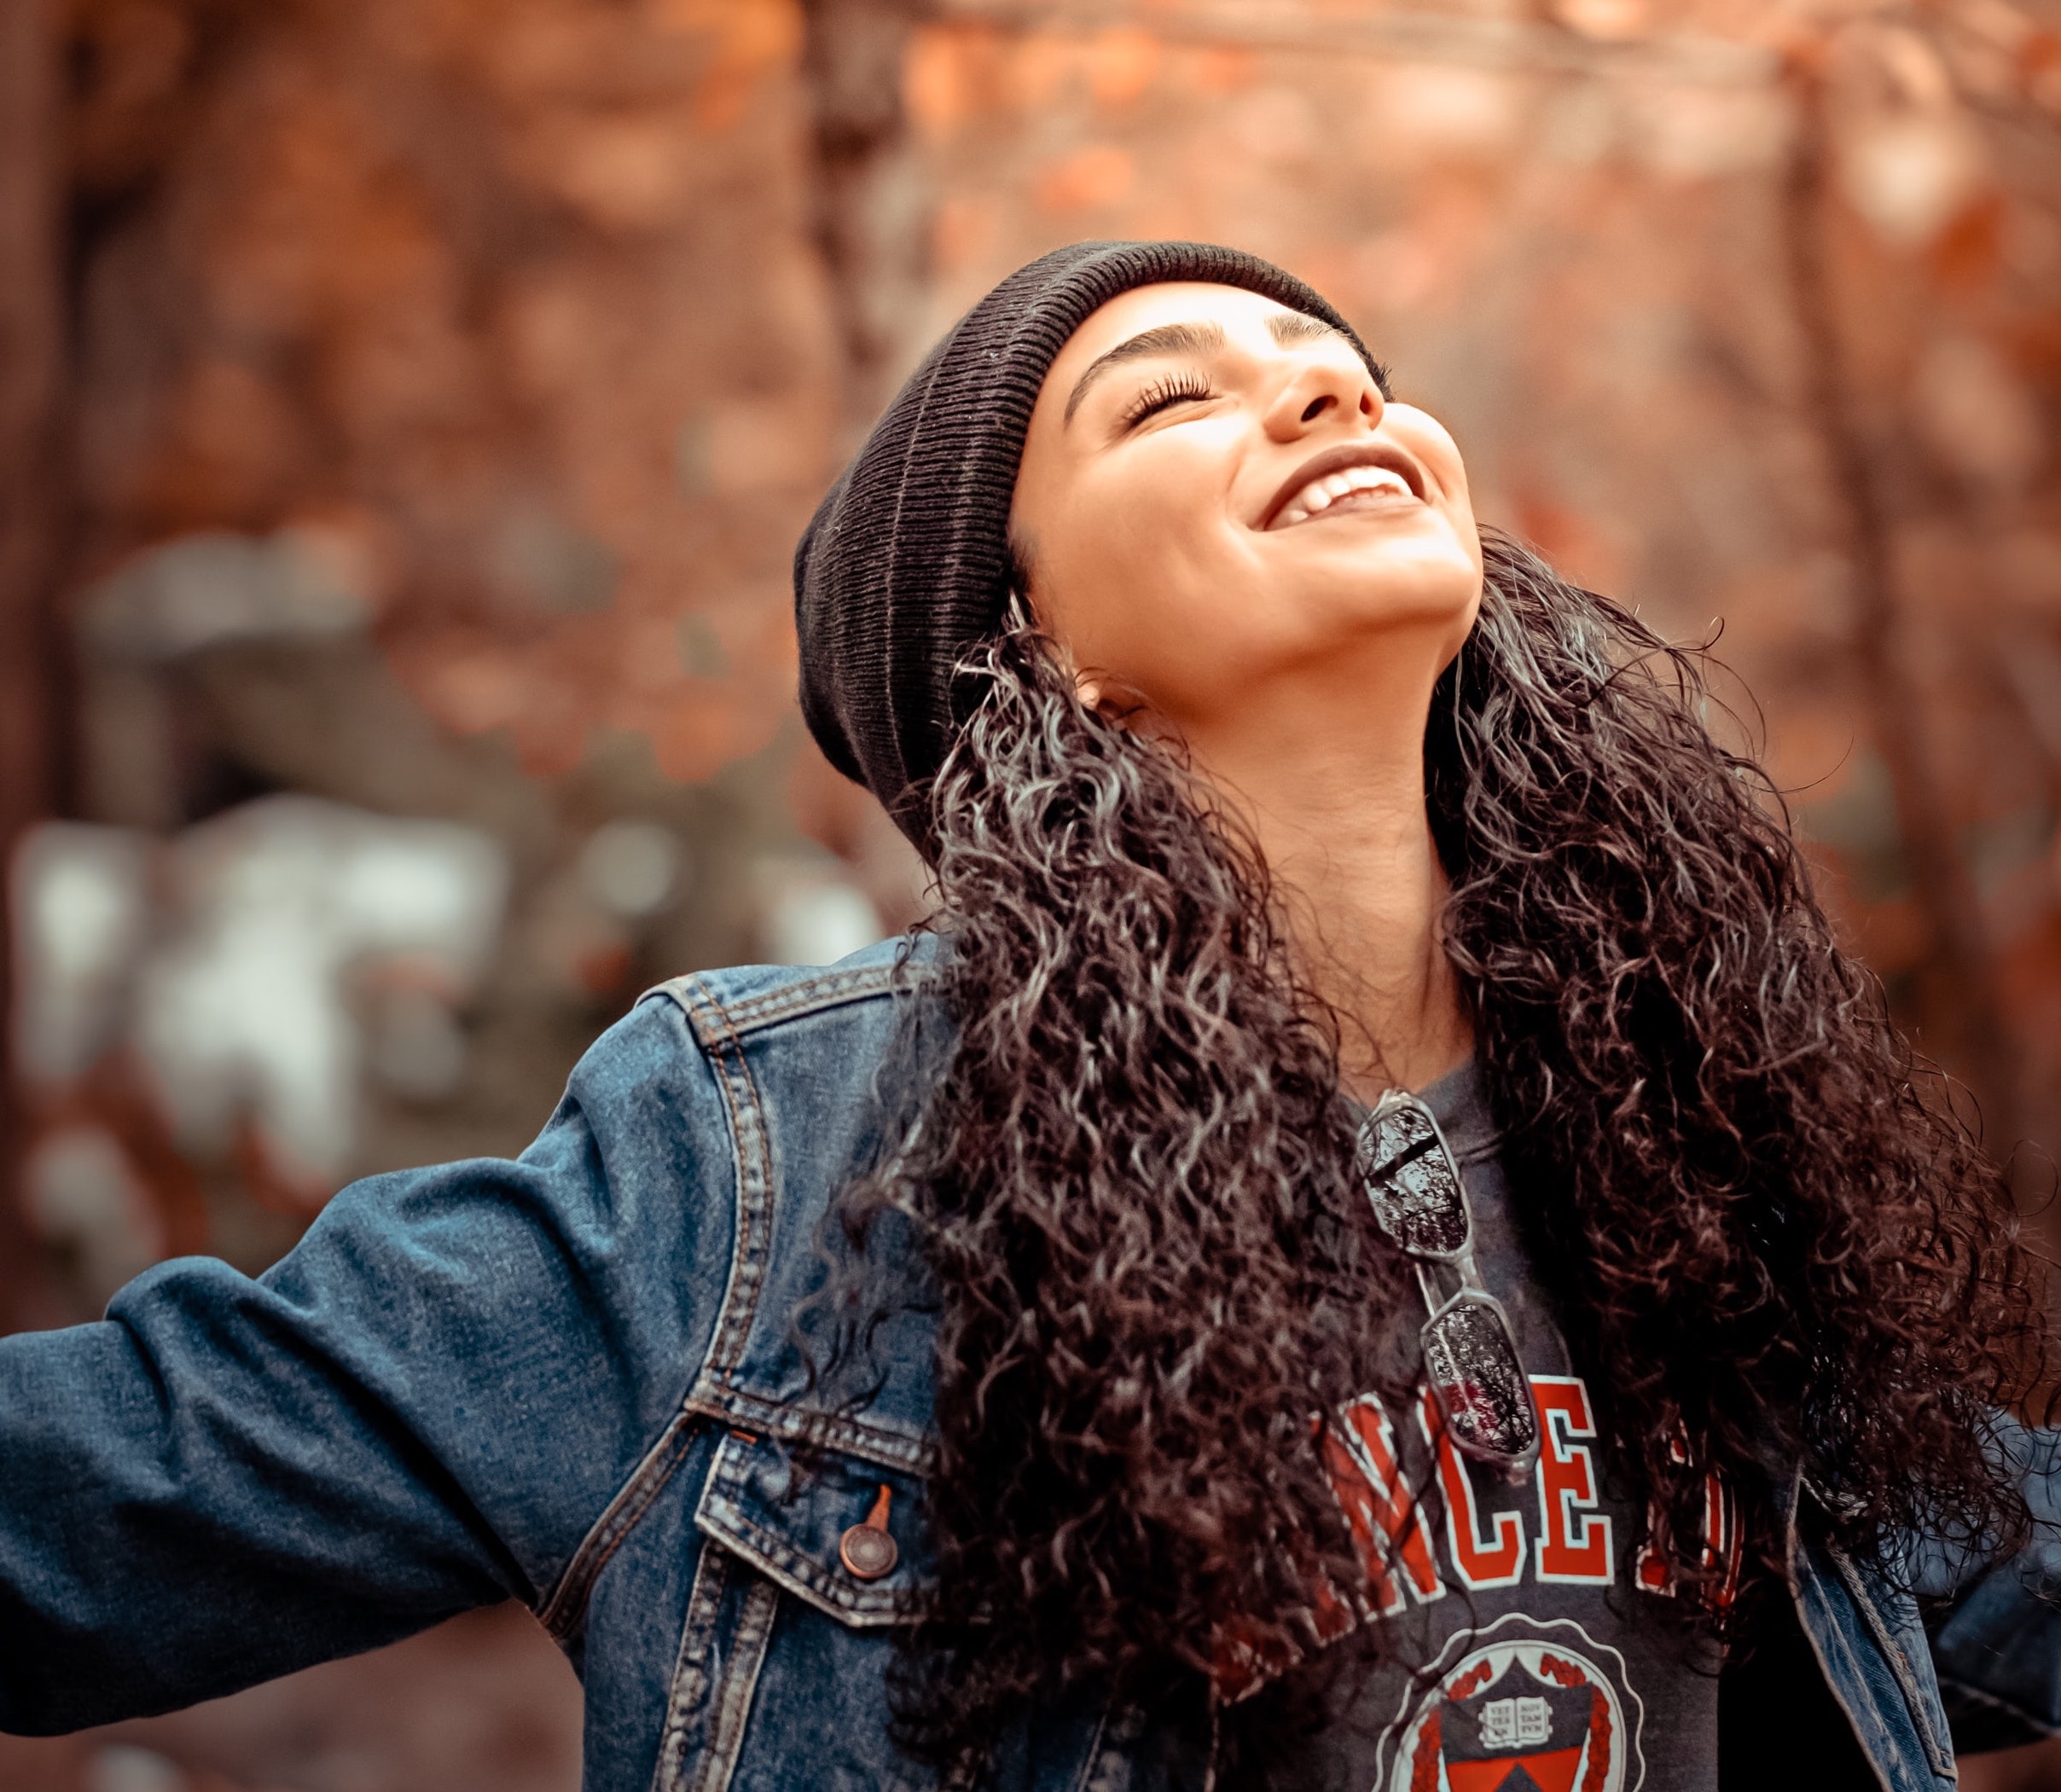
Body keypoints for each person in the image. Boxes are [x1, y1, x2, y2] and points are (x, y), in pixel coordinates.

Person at [1, 241, 2055, 1792]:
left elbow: (1965, 1559)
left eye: (1344, 379)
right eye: (1170, 403)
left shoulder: (1670, 1121)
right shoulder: (757, 1171)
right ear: (1040, 654)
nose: (1331, 406)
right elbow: (114, 1491)